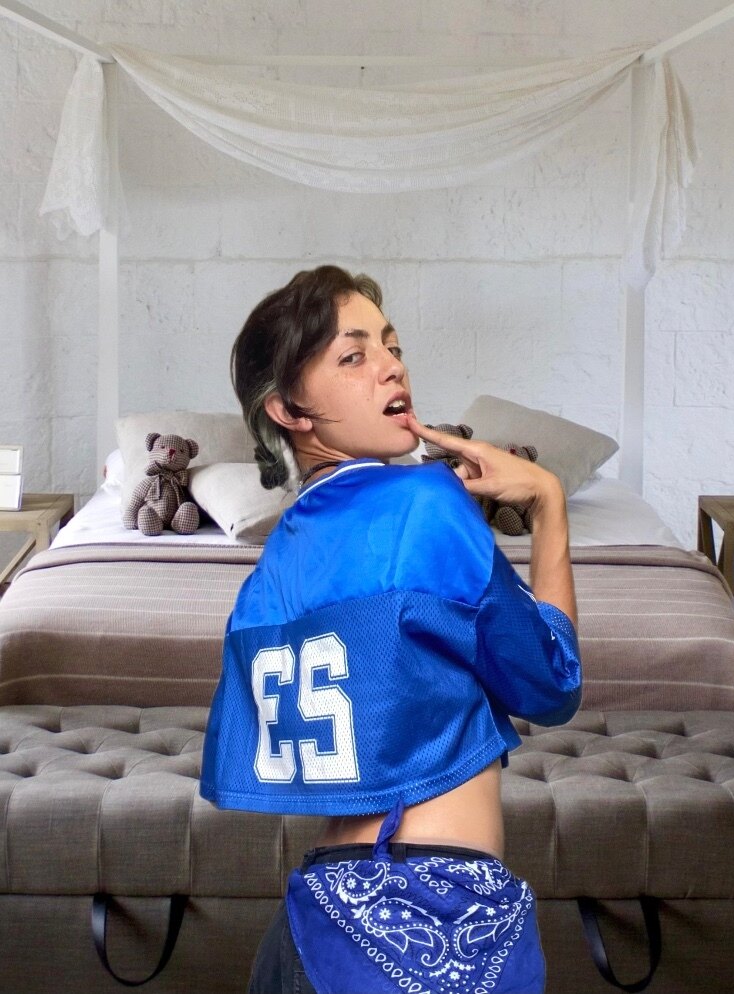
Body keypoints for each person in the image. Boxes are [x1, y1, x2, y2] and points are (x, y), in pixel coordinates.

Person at [200, 264, 581, 994]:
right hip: (433, 918)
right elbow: (552, 684)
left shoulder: (275, 562)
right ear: (290, 409)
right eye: (353, 355)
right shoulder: (423, 503)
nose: (391, 366)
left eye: (391, 345)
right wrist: (547, 505)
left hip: (312, 922)